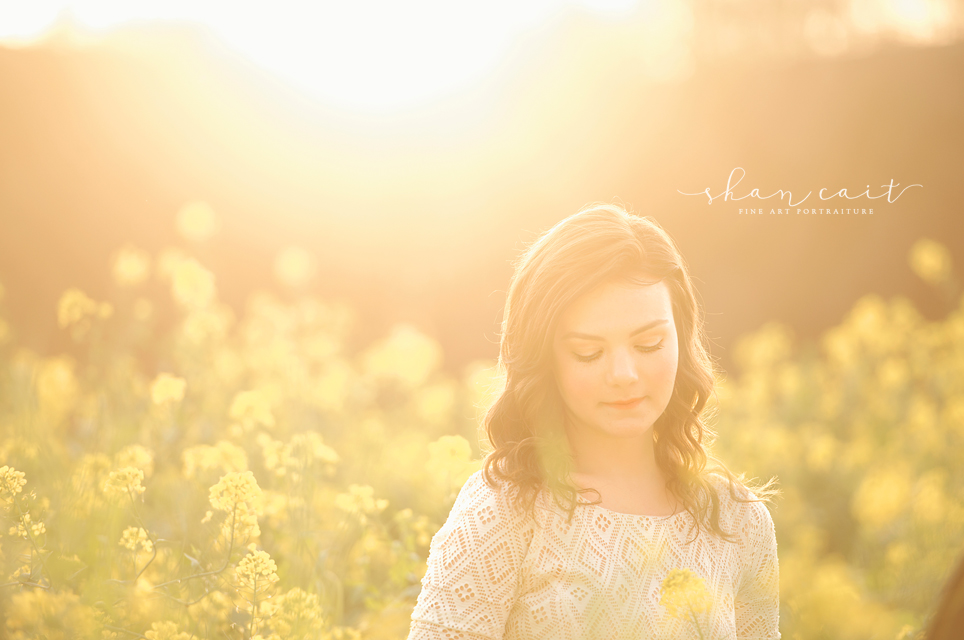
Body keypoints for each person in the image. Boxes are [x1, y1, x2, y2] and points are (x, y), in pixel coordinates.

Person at [407, 203, 781, 640]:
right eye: (589, 352)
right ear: (546, 359)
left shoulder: (739, 521)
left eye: (649, 344)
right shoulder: (504, 510)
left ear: (682, 338)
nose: (623, 374)